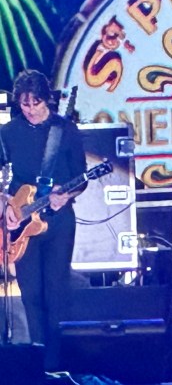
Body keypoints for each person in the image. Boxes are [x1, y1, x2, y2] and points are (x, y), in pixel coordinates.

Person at [0, 69, 86, 371]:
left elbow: (82, 177)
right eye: (24, 104)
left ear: (46, 100)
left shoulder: (65, 130)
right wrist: (5, 205)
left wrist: (67, 194)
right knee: (31, 295)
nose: (30, 110)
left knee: (55, 293)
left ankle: (56, 365)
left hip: (58, 222)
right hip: (22, 224)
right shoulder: (8, 132)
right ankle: (38, 365)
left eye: (35, 103)